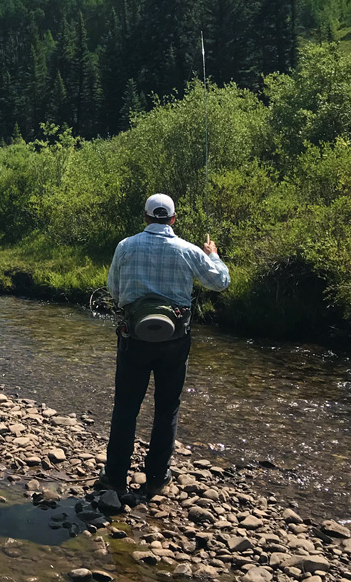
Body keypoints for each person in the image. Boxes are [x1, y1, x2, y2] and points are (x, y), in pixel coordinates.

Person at [96, 193, 230, 497]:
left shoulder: (125, 246)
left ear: (145, 218)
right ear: (173, 219)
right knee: (167, 408)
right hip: (175, 340)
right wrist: (213, 255)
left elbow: (114, 290)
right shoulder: (188, 250)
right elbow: (221, 282)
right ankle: (156, 477)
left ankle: (115, 477)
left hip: (135, 338)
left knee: (126, 407)